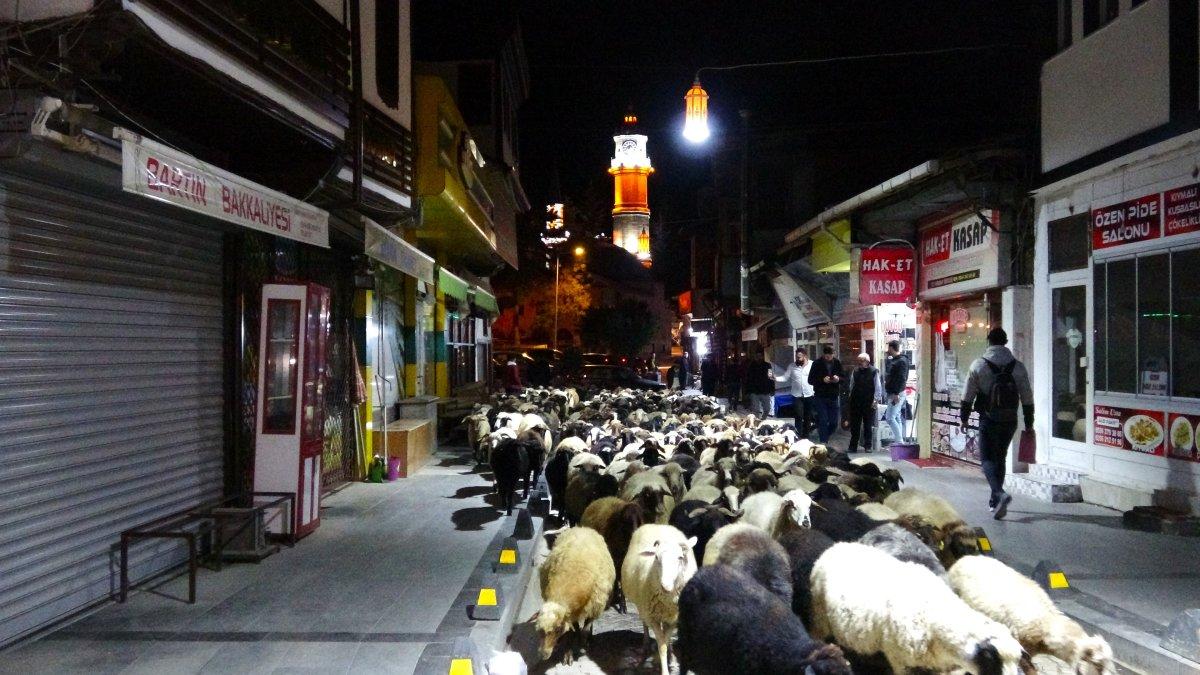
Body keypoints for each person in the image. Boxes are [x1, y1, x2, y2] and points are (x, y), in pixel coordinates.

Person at [961, 327, 1034, 520]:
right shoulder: (1018, 366)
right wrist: (1029, 422)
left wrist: (964, 418)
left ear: (989, 341)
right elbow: (1027, 396)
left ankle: (999, 493)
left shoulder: (979, 365)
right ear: (1006, 341)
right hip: (1010, 419)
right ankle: (995, 501)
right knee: (1000, 457)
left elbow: (967, 395)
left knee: (986, 459)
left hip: (988, 418)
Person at [847, 353, 883, 453]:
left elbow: (878, 387)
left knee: (868, 425)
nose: (859, 363)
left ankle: (868, 445)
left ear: (867, 361)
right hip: (856, 401)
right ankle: (853, 446)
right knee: (855, 425)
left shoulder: (874, 371)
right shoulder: (855, 371)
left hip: (869, 402)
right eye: (858, 361)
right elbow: (852, 385)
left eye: (861, 361)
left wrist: (875, 400)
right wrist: (850, 397)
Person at [807, 346, 844, 443]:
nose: (828, 357)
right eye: (827, 356)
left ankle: (824, 435)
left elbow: (844, 378)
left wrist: (838, 379)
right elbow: (810, 380)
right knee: (823, 420)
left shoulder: (837, 363)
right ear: (823, 354)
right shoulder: (817, 363)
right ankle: (823, 441)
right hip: (820, 395)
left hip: (833, 395)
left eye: (830, 355)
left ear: (833, 354)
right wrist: (822, 380)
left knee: (834, 422)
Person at [776, 349, 815, 437]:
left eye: (799, 357)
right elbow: (785, 377)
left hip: (809, 394)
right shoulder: (792, 366)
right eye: (796, 357)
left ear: (805, 356)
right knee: (798, 415)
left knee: (807, 416)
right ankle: (798, 435)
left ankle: (806, 435)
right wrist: (775, 378)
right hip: (796, 395)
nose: (797, 358)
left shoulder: (812, 365)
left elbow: (817, 377)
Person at [882, 340, 911, 444]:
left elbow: (902, 378)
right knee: (896, 416)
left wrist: (896, 393)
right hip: (895, 392)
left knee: (890, 417)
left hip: (896, 393)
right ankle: (899, 441)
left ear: (891, 348)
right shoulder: (898, 360)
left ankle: (899, 441)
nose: (887, 350)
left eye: (888, 348)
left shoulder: (901, 361)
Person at [746, 352, 774, 417]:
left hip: (765, 391)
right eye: (757, 356)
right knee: (755, 410)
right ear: (755, 357)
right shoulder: (751, 366)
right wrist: (748, 391)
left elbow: (770, 377)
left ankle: (763, 419)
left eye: (760, 356)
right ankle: (757, 423)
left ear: (762, 357)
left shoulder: (768, 365)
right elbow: (748, 378)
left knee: (767, 409)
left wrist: (772, 389)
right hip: (754, 391)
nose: (758, 357)